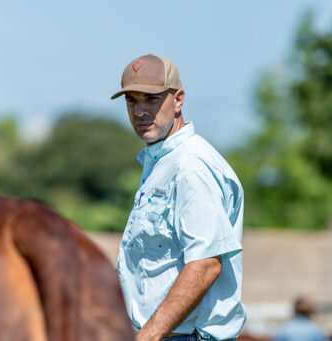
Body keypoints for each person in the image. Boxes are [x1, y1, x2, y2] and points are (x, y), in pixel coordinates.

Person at [112, 54, 246, 341]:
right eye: (131, 100)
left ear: (179, 100)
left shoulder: (190, 167)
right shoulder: (164, 162)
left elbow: (205, 263)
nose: (139, 111)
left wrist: (147, 336)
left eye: (151, 98)